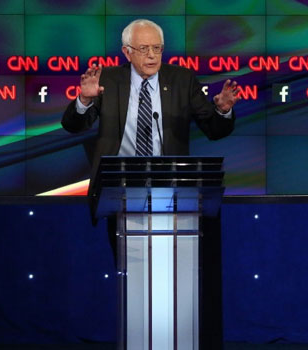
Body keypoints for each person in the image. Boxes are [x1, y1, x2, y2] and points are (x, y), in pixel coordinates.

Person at [61, 19, 240, 349]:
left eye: (157, 48)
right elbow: (74, 125)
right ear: (127, 52)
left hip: (176, 195)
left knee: (176, 275)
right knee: (134, 275)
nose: (152, 55)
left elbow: (213, 129)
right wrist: (84, 101)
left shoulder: (181, 79)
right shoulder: (110, 80)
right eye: (144, 49)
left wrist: (223, 110)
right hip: (121, 194)